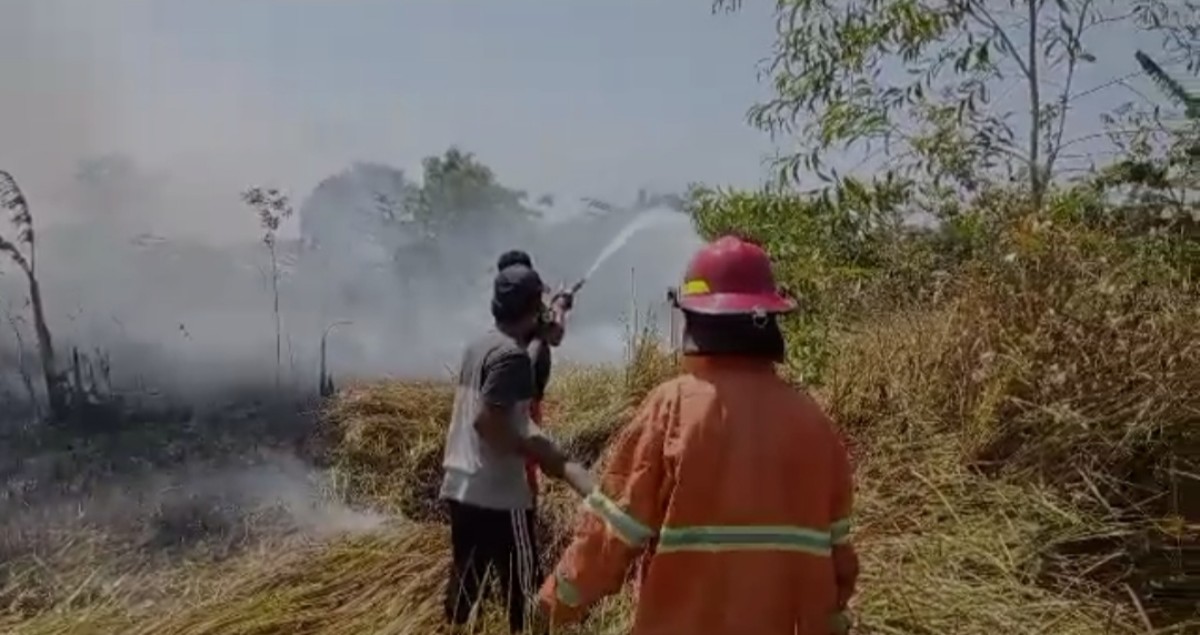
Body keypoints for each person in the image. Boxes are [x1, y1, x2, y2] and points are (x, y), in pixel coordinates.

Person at [535, 235, 861, 635]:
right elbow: (839, 561)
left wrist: (553, 605)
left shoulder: (671, 408)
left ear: (695, 320)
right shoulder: (813, 422)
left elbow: (610, 536)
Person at [440, 260, 593, 634]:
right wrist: (533, 450)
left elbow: (548, 332)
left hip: (460, 486)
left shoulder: (480, 345)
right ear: (531, 308)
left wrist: (559, 306)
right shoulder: (512, 357)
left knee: (467, 580)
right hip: (500, 496)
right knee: (524, 591)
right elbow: (488, 421)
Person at [495, 250, 574, 509]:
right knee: (524, 461)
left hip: (521, 399)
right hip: (522, 402)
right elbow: (555, 334)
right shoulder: (528, 313)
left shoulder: (509, 309)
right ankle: (524, 513)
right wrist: (560, 307)